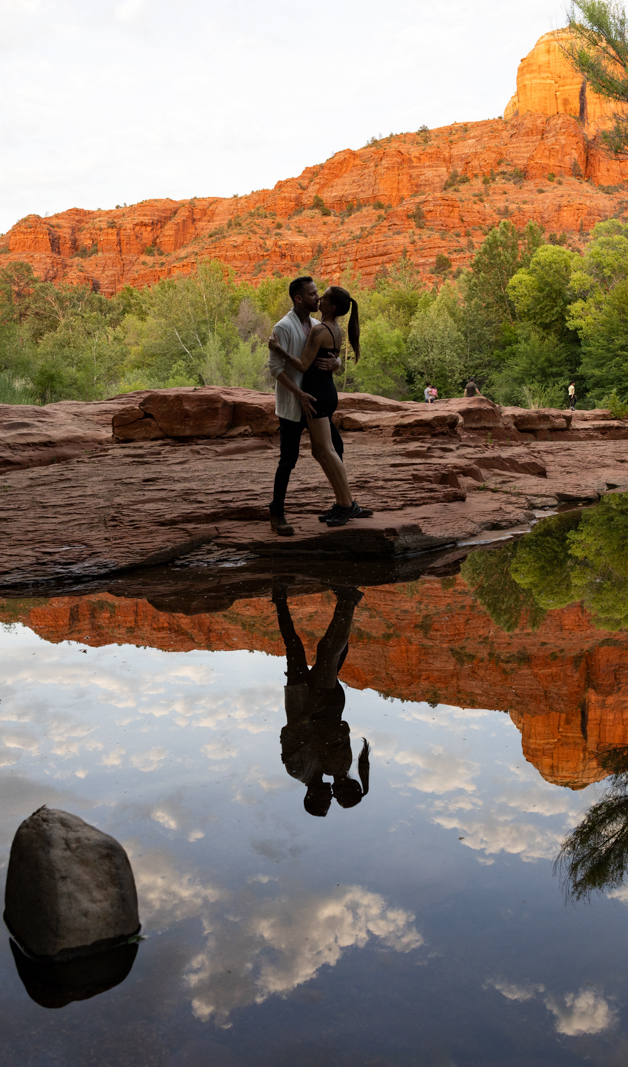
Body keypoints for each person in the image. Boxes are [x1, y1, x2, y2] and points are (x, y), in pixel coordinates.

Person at [265, 277, 366, 534]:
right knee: (288, 460)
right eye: (312, 294)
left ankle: (345, 503)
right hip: (294, 403)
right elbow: (275, 369)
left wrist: (337, 364)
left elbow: (329, 354)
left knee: (334, 448)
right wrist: (299, 394)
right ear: (299, 299)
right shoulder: (283, 327)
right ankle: (277, 514)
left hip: (316, 400)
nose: (317, 297)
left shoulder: (316, 325)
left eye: (319, 294)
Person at [274, 582, 371, 817]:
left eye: (327, 800)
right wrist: (315, 716)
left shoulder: (299, 770)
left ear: (311, 796)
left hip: (301, 699)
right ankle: (347, 600)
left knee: (297, 647)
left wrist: (309, 714)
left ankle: (280, 598)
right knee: (326, 653)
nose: (331, 796)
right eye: (334, 799)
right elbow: (337, 729)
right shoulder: (333, 767)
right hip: (321, 700)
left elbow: (288, 734)